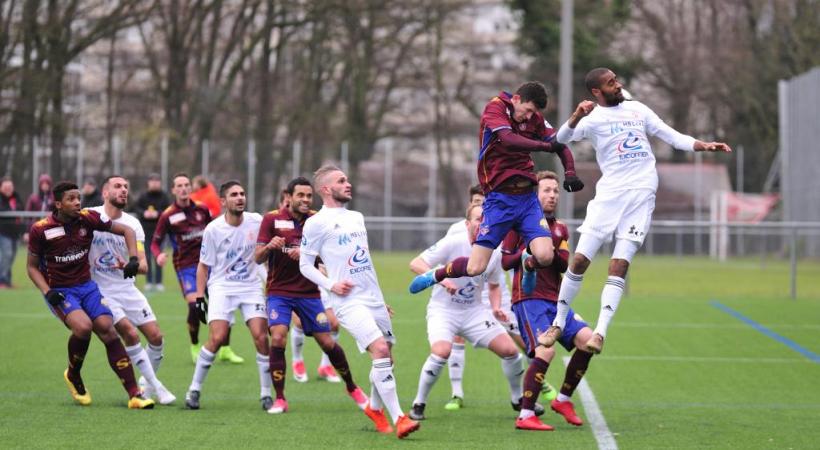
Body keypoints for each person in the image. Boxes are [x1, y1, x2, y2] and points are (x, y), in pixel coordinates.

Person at [541, 67, 732, 354]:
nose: (617, 85)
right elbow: (560, 139)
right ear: (596, 91)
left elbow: (671, 135)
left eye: (616, 80)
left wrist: (701, 145)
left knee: (619, 265)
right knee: (579, 261)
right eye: (610, 83)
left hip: (641, 194)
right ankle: (557, 322)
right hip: (609, 196)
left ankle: (600, 333)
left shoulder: (638, 110)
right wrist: (577, 115)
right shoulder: (592, 119)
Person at [409, 81, 583, 296]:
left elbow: (559, 142)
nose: (530, 117)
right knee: (475, 268)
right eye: (528, 110)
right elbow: (509, 140)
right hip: (500, 201)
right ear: (516, 99)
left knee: (545, 256)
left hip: (528, 200)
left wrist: (570, 172)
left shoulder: (534, 118)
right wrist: (545, 146)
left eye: (534, 113)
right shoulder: (496, 107)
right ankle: (438, 274)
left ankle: (527, 264)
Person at [299, 165, 420, 439]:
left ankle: (375, 408)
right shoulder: (316, 223)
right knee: (379, 349)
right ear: (326, 189)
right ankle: (400, 418)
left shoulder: (356, 217)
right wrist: (332, 285)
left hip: (373, 298)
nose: (348, 184)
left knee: (387, 356)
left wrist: (380, 299)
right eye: (342, 181)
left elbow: (364, 263)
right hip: (347, 301)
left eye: (347, 179)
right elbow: (305, 266)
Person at [26, 181, 154, 409]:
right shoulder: (41, 229)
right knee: (83, 328)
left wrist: (134, 258)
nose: (77, 202)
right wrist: (47, 292)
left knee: (108, 329)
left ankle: (135, 394)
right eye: (71, 199)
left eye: (78, 198)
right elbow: (32, 267)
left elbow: (127, 230)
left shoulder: (87, 218)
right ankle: (73, 374)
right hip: (61, 291)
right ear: (58, 204)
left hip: (87, 287)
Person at [408, 203, 541, 422]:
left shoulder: (494, 251)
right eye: (478, 219)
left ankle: (517, 399)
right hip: (444, 311)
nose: (482, 223)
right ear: (467, 223)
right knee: (441, 352)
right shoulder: (453, 242)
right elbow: (416, 264)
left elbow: (495, 284)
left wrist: (496, 307)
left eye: (485, 219)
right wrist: (441, 279)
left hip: (474, 312)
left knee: (511, 352)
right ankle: (419, 403)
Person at [254, 176, 369, 414]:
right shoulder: (272, 219)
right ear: (289, 197)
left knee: (327, 341)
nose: (306, 200)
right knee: (277, 337)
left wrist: (309, 255)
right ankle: (280, 399)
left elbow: (330, 255)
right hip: (279, 292)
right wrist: (269, 247)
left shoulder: (318, 220)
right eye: (301, 195)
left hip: (309, 293)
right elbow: (257, 257)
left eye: (309, 195)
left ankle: (353, 388)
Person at [501, 170, 595, 431]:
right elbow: (506, 260)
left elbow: (564, 263)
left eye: (555, 191)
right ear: (535, 194)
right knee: (546, 350)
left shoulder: (560, 228)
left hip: (556, 301)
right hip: (528, 299)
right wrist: (529, 250)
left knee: (589, 341)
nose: (552, 195)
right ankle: (526, 414)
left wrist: (550, 247)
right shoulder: (518, 224)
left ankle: (563, 400)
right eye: (547, 190)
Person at [184, 181, 271, 410]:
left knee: (261, 337)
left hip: (251, 287)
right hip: (222, 287)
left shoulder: (256, 221)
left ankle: (266, 394)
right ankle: (194, 390)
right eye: (234, 195)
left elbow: (265, 254)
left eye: (242, 193)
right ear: (223, 201)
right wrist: (200, 298)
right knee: (217, 338)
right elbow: (203, 266)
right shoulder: (214, 229)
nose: (240, 198)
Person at [89, 175, 175, 405]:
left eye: (126, 186)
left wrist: (131, 266)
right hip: (100, 290)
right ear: (105, 193)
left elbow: (144, 266)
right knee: (130, 332)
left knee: (156, 337)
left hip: (127, 289)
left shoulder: (133, 224)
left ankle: (146, 385)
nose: (124, 190)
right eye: (117, 186)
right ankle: (156, 387)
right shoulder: (90, 217)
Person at [151, 173, 243, 364]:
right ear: (174, 190)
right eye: (179, 185)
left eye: (186, 184)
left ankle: (225, 349)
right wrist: (158, 254)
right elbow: (155, 243)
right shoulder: (168, 215)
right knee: (195, 305)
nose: (184, 188)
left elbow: (216, 231)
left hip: (212, 265)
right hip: (186, 268)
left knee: (223, 304)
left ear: (190, 188)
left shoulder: (202, 209)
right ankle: (194, 345)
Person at [133, 173, 171, 291]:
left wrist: (158, 214)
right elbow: (136, 208)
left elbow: (168, 210)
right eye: (152, 181)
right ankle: (149, 281)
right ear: (148, 183)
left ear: (160, 183)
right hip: (145, 232)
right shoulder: (143, 196)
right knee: (147, 257)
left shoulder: (164, 196)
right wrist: (144, 213)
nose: (154, 183)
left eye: (157, 181)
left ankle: (159, 282)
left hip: (160, 232)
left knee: (158, 256)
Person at [0, 177, 24, 288]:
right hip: (3, 232)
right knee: (6, 255)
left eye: (10, 187)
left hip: (15, 233)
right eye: (6, 187)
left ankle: (7, 281)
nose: (8, 189)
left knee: (12, 256)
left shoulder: (16, 197)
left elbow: (21, 210)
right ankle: (2, 281)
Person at [23, 173, 54, 242]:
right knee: (35, 249)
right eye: (43, 183)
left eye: (47, 183)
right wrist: (27, 232)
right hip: (36, 228)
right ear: (40, 185)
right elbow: (28, 216)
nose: (45, 186)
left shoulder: (54, 198)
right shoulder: (33, 198)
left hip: (50, 229)